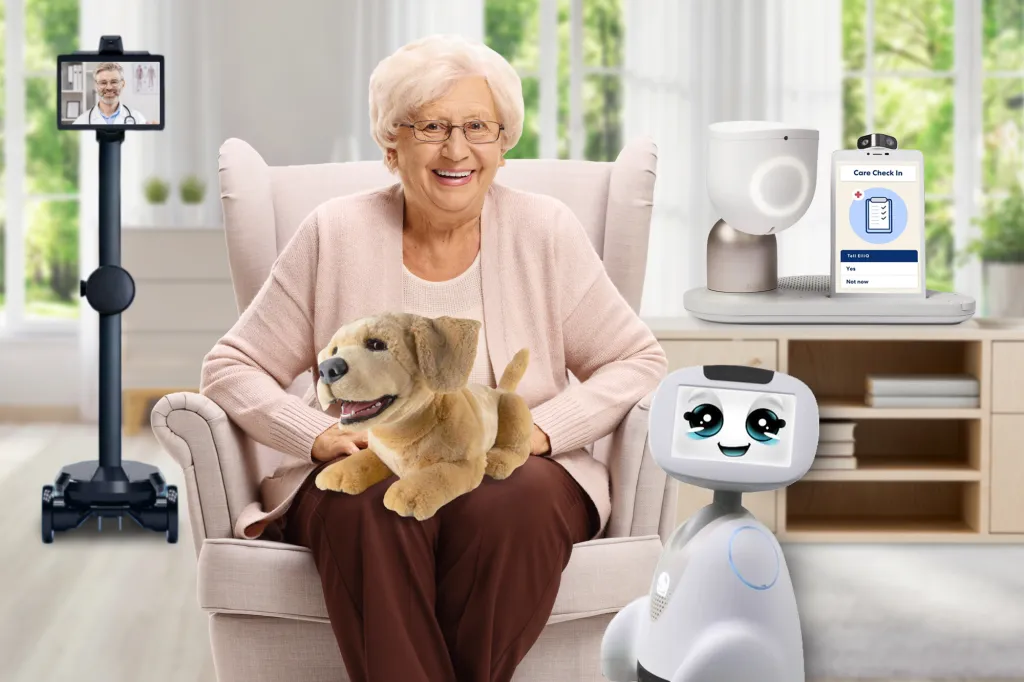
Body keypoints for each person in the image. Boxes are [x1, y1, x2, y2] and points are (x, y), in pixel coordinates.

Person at [199, 33, 667, 682]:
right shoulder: (332, 231)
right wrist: (317, 434)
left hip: (516, 467)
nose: (456, 149)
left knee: (513, 499)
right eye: (431, 127)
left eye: (479, 126)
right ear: (392, 143)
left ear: (504, 142)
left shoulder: (546, 230)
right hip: (368, 460)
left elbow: (636, 359)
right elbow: (231, 366)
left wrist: (543, 429)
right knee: (371, 503)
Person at [73, 62, 149, 125]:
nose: (109, 87)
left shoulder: (138, 119)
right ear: (96, 86)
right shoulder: (80, 121)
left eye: (114, 82)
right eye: (103, 83)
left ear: (123, 84)